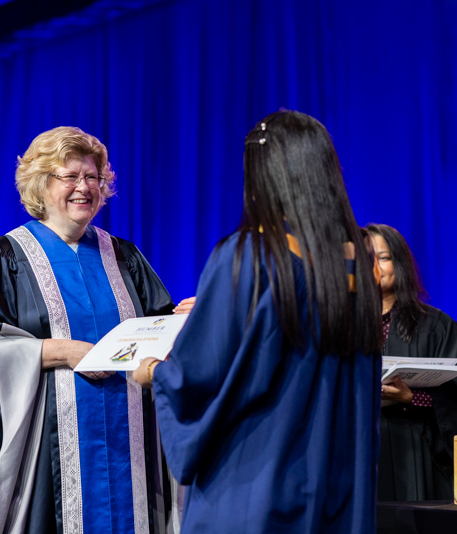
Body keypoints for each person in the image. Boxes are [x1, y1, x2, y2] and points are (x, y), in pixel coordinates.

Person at [133, 110, 384, 532]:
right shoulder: (360, 261)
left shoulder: (250, 254)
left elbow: (200, 377)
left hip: (256, 485)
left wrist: (155, 373)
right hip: (336, 491)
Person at [0, 126, 176, 534]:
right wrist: (63, 352)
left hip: (129, 444)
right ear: (41, 184)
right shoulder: (4, 257)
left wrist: (183, 319)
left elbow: (155, 328)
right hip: (50, 454)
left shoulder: (125, 257)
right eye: (70, 176)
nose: (84, 187)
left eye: (92, 177)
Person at [366, 223, 457, 502]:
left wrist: (413, 397)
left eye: (383, 258)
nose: (374, 266)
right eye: (365, 257)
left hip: (415, 448)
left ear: (401, 263)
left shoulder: (434, 325)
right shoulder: (338, 324)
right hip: (357, 445)